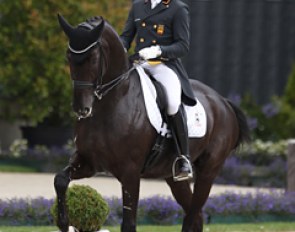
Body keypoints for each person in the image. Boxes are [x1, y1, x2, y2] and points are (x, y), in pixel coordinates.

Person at [120, 0, 196, 181]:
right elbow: (126, 36)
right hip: (139, 63)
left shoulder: (178, 9)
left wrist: (158, 50)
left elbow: (182, 46)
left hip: (163, 64)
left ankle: (183, 158)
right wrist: (120, 47)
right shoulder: (138, 5)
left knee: (171, 102)